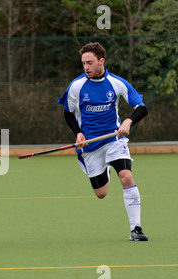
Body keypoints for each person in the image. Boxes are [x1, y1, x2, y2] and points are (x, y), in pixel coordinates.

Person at [58, 42, 149, 241]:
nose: (86, 67)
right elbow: (68, 113)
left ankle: (136, 229)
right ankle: (105, 168)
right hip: (90, 146)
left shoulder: (117, 83)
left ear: (101, 61)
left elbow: (141, 108)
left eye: (90, 63)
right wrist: (78, 134)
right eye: (83, 63)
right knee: (101, 193)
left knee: (126, 175)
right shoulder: (77, 86)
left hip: (114, 140)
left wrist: (128, 121)